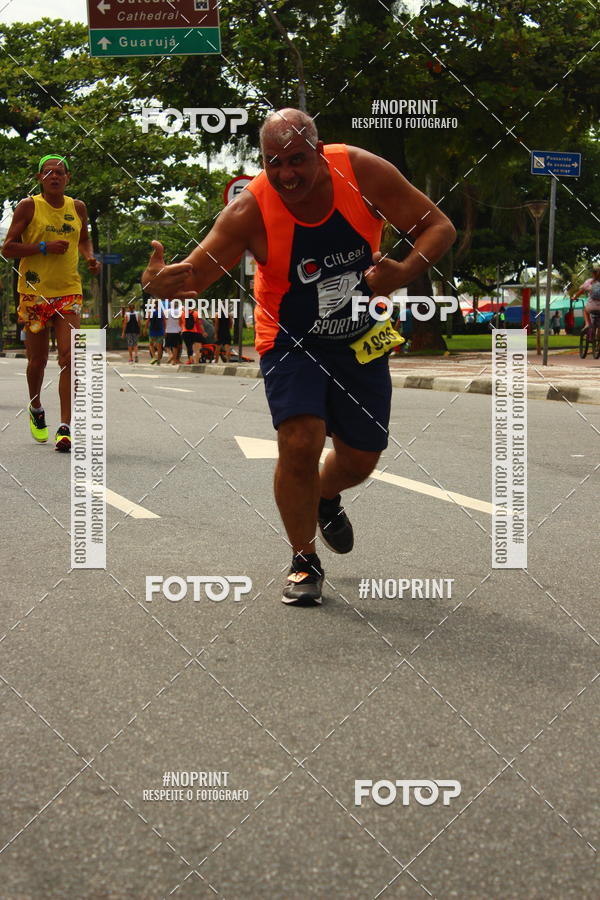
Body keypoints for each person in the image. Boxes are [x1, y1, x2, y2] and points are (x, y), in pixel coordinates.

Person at [143, 108, 455, 605]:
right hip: (289, 338)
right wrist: (160, 284)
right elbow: (195, 275)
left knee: (361, 458)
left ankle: (325, 496)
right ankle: (304, 560)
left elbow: (439, 226)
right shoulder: (250, 211)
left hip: (360, 334)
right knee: (299, 438)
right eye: (274, 162)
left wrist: (404, 271)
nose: (286, 174)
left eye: (297, 160)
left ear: (319, 153)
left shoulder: (361, 172)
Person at [2, 153, 100, 452]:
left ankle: (65, 426)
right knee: (38, 361)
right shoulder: (28, 206)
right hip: (34, 294)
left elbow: (83, 238)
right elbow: (8, 248)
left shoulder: (77, 207)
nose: (54, 176)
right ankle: (36, 407)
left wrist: (89, 257)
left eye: (59, 172)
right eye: (48, 172)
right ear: (39, 178)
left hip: (69, 292)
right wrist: (43, 247)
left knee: (71, 358)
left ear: (68, 178)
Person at [571, 268, 600, 334]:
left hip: (591, 307)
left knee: (585, 311)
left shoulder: (589, 282)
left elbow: (580, 291)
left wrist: (574, 297)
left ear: (593, 274)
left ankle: (587, 324)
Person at [164, 300, 182, 364]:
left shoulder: (166, 311)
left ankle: (170, 354)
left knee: (167, 346)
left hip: (168, 330)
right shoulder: (179, 312)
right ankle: (174, 360)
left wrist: (164, 329)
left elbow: (164, 321)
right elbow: (181, 321)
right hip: (177, 331)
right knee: (175, 346)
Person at [147, 299, 165, 364]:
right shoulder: (161, 312)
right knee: (159, 346)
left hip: (152, 331)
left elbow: (148, 321)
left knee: (151, 345)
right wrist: (164, 330)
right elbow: (164, 322)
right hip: (160, 331)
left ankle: (154, 357)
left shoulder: (150, 312)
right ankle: (159, 360)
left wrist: (145, 329)